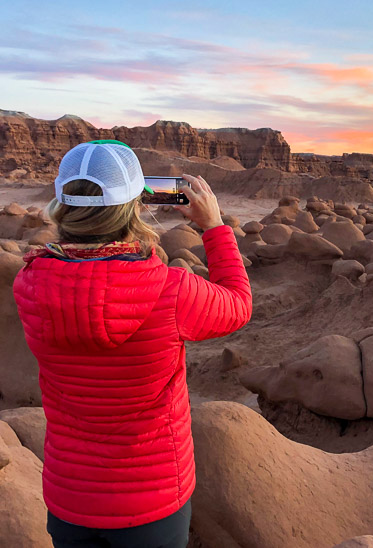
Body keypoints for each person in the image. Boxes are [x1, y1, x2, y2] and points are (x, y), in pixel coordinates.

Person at [12, 140, 252, 548]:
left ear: (61, 204)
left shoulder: (30, 283)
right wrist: (213, 228)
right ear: (137, 204)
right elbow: (239, 303)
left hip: (70, 498)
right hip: (153, 502)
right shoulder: (171, 291)